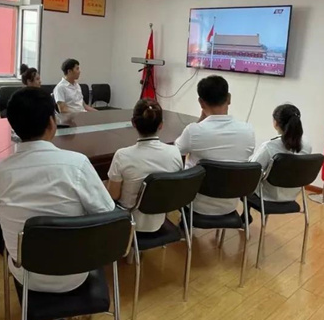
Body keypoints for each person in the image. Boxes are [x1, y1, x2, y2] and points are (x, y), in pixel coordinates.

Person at [0, 87, 114, 293]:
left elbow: (0, 218)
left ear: (13, 127)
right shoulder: (77, 164)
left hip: (26, 274)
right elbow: (106, 212)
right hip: (76, 272)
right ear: (52, 122)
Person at [175, 75, 255, 215]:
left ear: (201, 102)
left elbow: (175, 153)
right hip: (231, 204)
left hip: (194, 203)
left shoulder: (194, 131)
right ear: (229, 98)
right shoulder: (248, 131)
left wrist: (200, 121)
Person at [107, 99, 183, 232]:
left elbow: (113, 196)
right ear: (161, 125)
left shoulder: (122, 155)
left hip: (129, 221)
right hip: (161, 218)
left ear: (133, 123)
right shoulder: (175, 152)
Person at [251, 104, 312, 202]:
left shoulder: (269, 146)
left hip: (267, 196)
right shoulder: (307, 145)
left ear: (275, 123)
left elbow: (252, 171)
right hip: (292, 196)